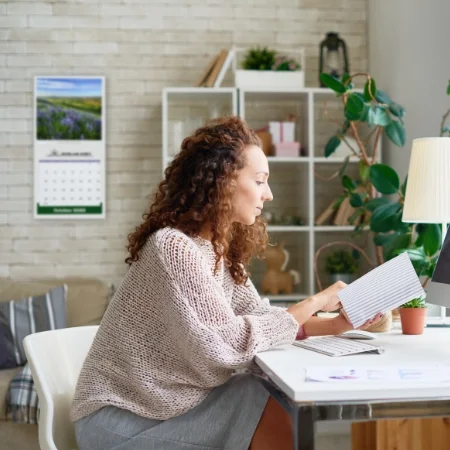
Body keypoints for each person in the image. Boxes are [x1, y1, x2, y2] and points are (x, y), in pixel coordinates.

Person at [71, 116, 381, 450]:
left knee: (257, 393)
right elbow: (224, 346)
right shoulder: (173, 247)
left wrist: (337, 324)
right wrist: (314, 303)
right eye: (260, 181)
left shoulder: (219, 249)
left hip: (169, 406)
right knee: (254, 398)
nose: (270, 194)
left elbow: (262, 320)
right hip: (119, 419)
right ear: (223, 181)